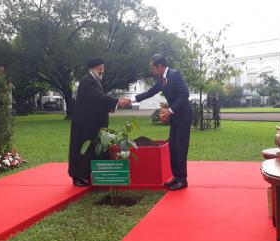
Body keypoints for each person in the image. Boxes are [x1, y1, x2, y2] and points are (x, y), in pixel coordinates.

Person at [120, 54, 193, 191]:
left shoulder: (174, 75)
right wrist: (131, 100)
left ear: (160, 66)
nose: (152, 71)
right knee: (173, 147)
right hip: (175, 116)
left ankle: (182, 180)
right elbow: (150, 92)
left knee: (180, 147)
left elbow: (185, 94)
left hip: (183, 116)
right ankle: (176, 177)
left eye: (153, 68)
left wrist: (170, 110)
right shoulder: (162, 79)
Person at [68, 57, 125, 187]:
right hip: (84, 123)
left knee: (91, 149)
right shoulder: (87, 81)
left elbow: (96, 101)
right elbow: (98, 97)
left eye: (102, 68)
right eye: (100, 68)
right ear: (93, 68)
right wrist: (116, 102)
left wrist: (110, 107)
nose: (102, 71)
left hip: (92, 122)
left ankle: (88, 174)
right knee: (82, 149)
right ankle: (78, 176)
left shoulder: (95, 80)